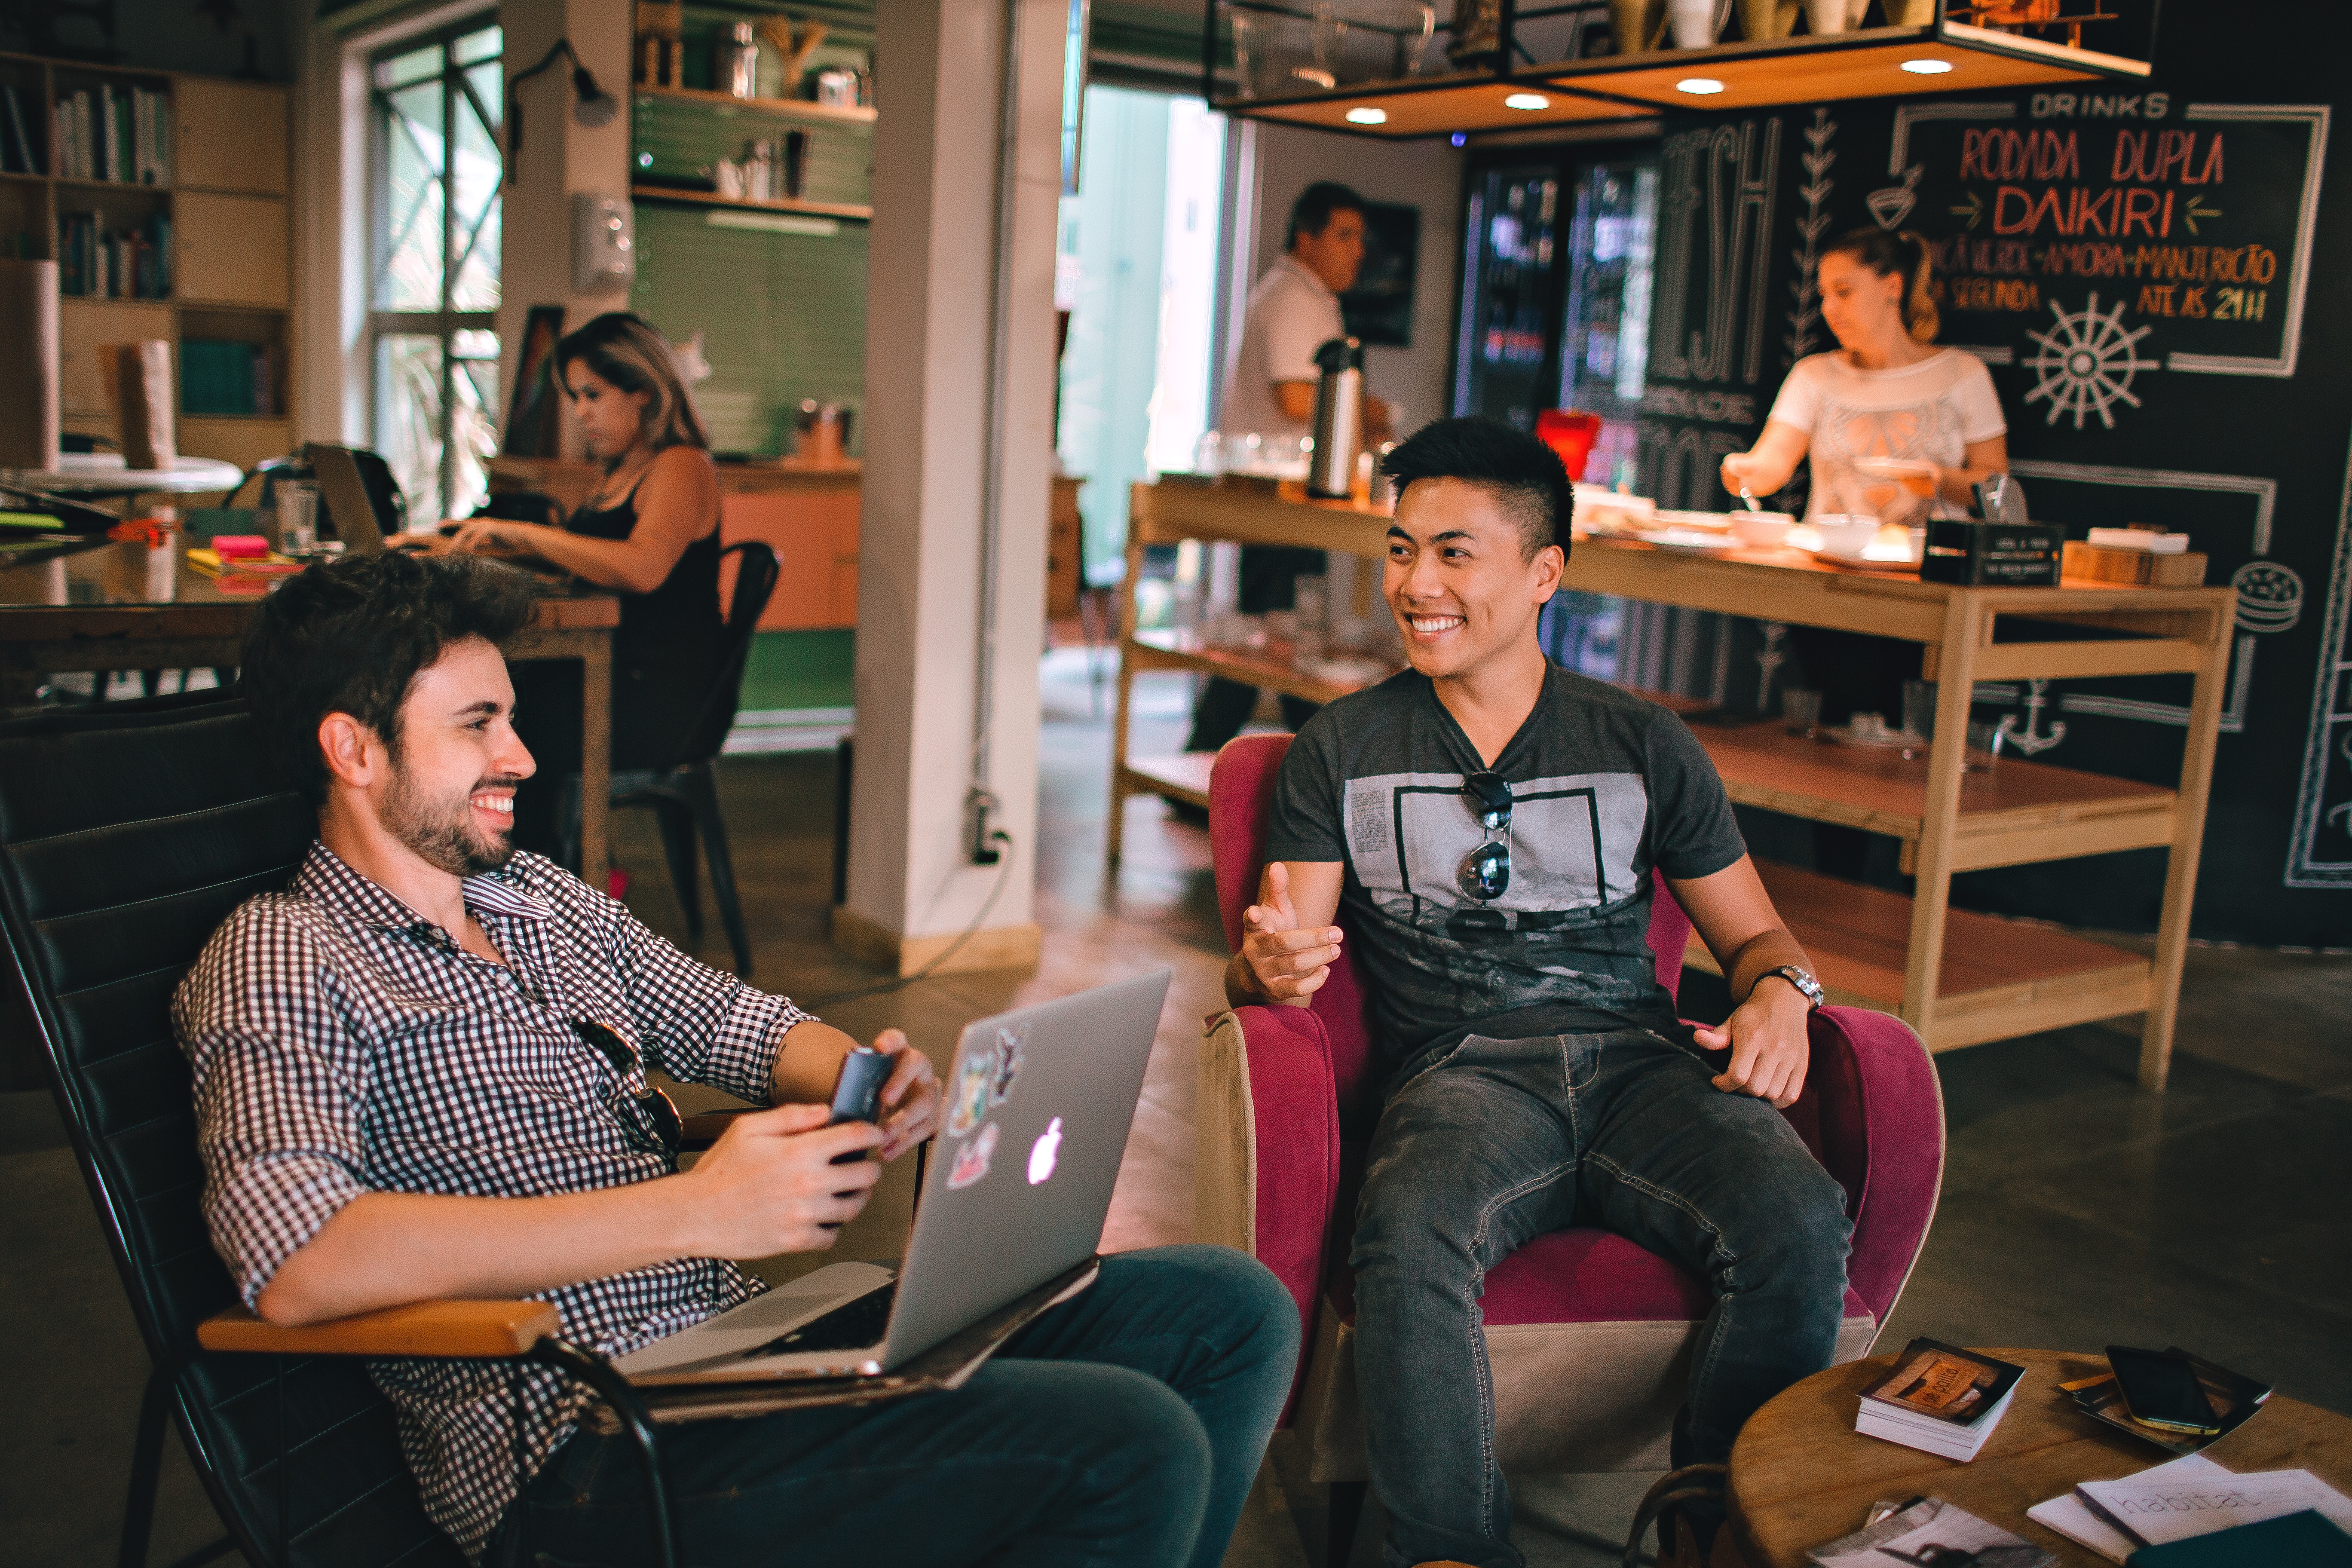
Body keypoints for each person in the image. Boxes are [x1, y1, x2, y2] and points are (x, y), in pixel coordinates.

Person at [174, 550, 1300, 1568]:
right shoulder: (284, 951)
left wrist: (866, 1080)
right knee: (1126, 1446)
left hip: (739, 1357)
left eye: (510, 717)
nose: (520, 754)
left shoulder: (536, 901)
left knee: (1228, 1311)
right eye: (477, 724)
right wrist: (697, 1215)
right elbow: (298, 1259)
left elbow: (738, 1024)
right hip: (582, 1449)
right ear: (353, 747)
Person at [1228, 418, 1852, 1568]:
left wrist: (1784, 996)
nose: (1417, 585)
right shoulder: (1343, 746)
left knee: (1799, 1218)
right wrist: (1265, 969)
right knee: (1409, 1228)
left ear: (1544, 573)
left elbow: (1759, 935)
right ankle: (1447, 1554)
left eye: (1455, 553)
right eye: (1401, 549)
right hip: (1462, 1076)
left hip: (1643, 1066)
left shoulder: (1643, 742)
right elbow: (1282, 946)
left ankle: (1716, 1537)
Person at [431, 312, 732, 858]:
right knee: (491, 708)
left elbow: (642, 567)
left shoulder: (682, 467)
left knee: (499, 722)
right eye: (575, 396)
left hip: (659, 694)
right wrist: (470, 542)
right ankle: (514, 878)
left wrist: (522, 533)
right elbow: (588, 560)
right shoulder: (621, 469)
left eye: (592, 394)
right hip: (615, 670)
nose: (581, 412)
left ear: (642, 390)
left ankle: (529, 886)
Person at [1186, 181, 1390, 757]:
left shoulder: (1308, 297)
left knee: (1282, 636)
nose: (1357, 251)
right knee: (1278, 640)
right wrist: (1372, 410)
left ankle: (1289, 763)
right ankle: (1247, 764)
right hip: (1280, 497)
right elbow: (1299, 399)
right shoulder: (1291, 299)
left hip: (1295, 497)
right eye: (1345, 236)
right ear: (1307, 237)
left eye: (1360, 239)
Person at [1720, 227, 2008, 529]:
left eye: (1843, 292)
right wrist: (1746, 471)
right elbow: (1773, 461)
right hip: (1827, 563)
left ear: (1893, 287)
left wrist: (1940, 479)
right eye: (1824, 295)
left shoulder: (1963, 374)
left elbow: (1996, 487)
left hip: (1925, 567)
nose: (1829, 309)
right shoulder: (1813, 375)